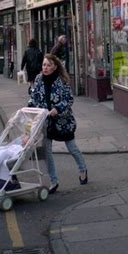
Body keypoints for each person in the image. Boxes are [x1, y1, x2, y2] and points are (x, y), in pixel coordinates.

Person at [28, 54, 87, 193]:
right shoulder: (38, 79)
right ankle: (54, 181)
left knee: (72, 148)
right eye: (44, 65)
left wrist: (57, 108)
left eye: (48, 65)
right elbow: (33, 97)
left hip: (63, 122)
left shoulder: (62, 80)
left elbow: (69, 99)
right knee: (47, 152)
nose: (45, 68)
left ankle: (83, 169)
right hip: (46, 122)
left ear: (55, 67)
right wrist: (29, 109)